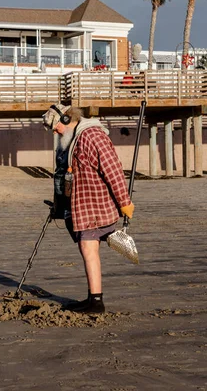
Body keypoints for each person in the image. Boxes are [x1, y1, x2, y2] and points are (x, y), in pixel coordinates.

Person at [43, 104, 134, 314]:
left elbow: (113, 171)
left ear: (66, 120)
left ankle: (96, 302)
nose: (54, 131)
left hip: (95, 205)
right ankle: (93, 298)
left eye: (55, 127)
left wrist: (125, 202)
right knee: (87, 248)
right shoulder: (73, 139)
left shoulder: (92, 136)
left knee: (88, 248)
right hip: (81, 206)